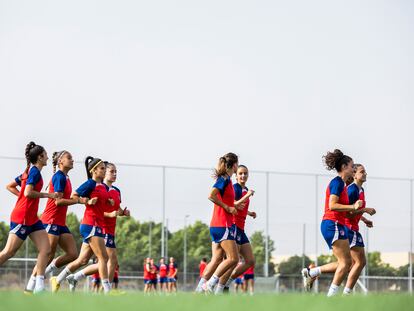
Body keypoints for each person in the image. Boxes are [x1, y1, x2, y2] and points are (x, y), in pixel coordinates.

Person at [301, 149, 363, 297]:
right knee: (346, 263)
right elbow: (332, 205)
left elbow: (345, 210)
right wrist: (353, 206)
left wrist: (362, 215)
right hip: (332, 223)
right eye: (351, 166)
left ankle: (312, 273)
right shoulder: (337, 183)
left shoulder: (342, 184)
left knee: (347, 262)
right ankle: (331, 297)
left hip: (336, 224)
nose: (353, 169)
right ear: (343, 167)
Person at [1, 142, 58, 293]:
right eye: (45, 154)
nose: (47, 157)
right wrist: (48, 195)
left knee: (46, 250)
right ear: (40, 157)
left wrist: (22, 198)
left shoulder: (29, 171)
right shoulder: (34, 172)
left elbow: (11, 186)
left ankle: (39, 287)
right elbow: (27, 192)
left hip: (32, 219)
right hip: (22, 218)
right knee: (8, 252)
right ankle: (38, 286)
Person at [51, 157, 113, 293]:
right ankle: (108, 291)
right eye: (102, 168)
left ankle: (59, 279)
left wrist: (108, 202)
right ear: (93, 170)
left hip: (97, 225)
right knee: (104, 258)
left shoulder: (101, 186)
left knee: (82, 260)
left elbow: (101, 201)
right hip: (91, 224)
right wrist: (87, 201)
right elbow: (74, 195)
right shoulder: (90, 183)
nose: (104, 170)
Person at [25, 150, 78, 292]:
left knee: (73, 254)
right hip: (51, 220)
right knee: (47, 254)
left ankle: (47, 274)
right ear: (60, 161)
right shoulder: (59, 177)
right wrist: (77, 201)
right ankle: (30, 287)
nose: (72, 160)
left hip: (60, 222)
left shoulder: (66, 178)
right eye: (69, 157)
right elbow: (58, 202)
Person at [195, 153, 241, 294]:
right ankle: (210, 285)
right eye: (237, 164)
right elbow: (211, 195)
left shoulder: (227, 180)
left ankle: (198, 289)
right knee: (234, 258)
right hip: (222, 225)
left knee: (216, 259)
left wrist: (233, 206)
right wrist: (227, 208)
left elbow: (225, 200)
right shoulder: (225, 179)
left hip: (217, 225)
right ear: (234, 165)